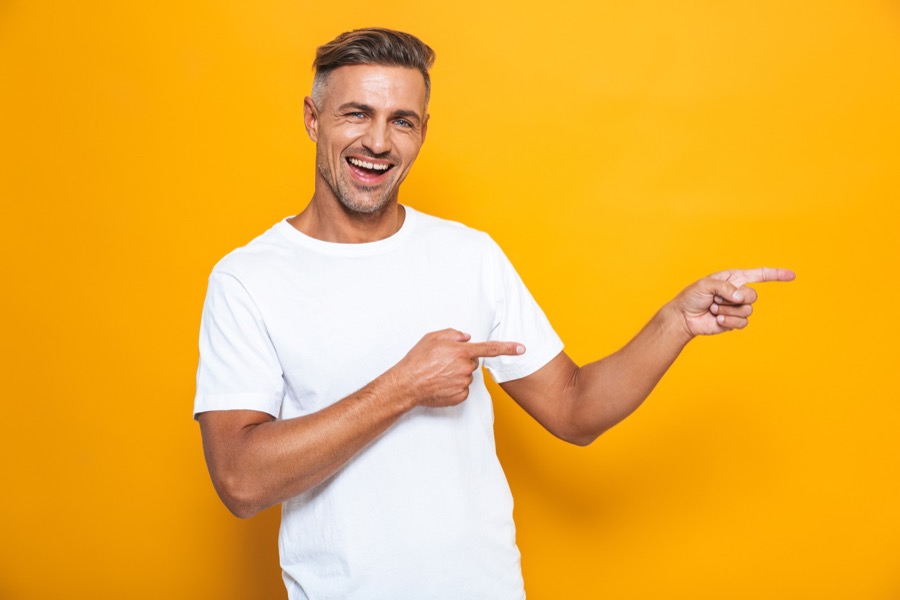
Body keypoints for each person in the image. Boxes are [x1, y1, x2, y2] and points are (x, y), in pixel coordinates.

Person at [194, 27, 794, 600]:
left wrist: (675, 322)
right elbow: (241, 481)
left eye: (401, 121)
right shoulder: (248, 279)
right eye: (356, 114)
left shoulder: (469, 255)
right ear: (312, 118)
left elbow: (575, 409)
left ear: (423, 131)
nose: (378, 142)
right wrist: (405, 386)